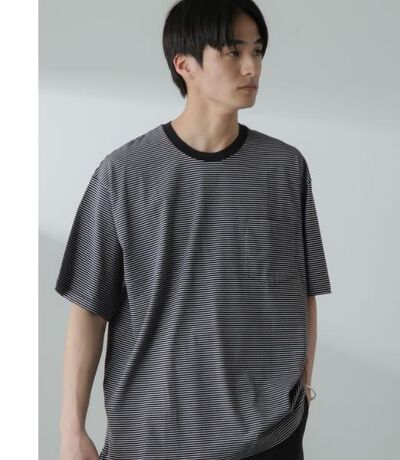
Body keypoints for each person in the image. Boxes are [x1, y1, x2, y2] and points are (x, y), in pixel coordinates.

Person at [56, 0, 332, 459]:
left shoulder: (285, 168)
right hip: (152, 437)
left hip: (269, 436)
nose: (252, 67)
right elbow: (89, 306)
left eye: (258, 51)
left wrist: (302, 390)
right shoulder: (124, 173)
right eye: (233, 52)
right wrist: (71, 429)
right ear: (184, 64)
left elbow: (303, 289)